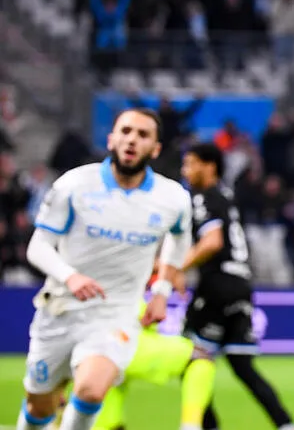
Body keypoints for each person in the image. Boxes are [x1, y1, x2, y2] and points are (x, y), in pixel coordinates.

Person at [17, 108, 192, 430]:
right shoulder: (74, 184)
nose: (132, 140)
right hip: (60, 309)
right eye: (125, 131)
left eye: (142, 135)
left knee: (91, 390)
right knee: (39, 407)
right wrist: (70, 276)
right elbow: (37, 247)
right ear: (111, 139)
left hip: (116, 313)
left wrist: (161, 292)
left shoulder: (173, 198)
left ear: (155, 149)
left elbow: (179, 240)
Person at [179, 143, 294, 430]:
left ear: (209, 166)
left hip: (217, 286)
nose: (185, 171)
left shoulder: (203, 197)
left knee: (189, 364)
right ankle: (288, 426)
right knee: (243, 367)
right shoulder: (227, 196)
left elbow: (212, 242)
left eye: (190, 164)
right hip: (242, 285)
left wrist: (175, 268)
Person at [91, 294, 216, 430]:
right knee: (199, 357)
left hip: (89, 351)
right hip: (119, 341)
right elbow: (144, 317)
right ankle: (191, 426)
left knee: (104, 418)